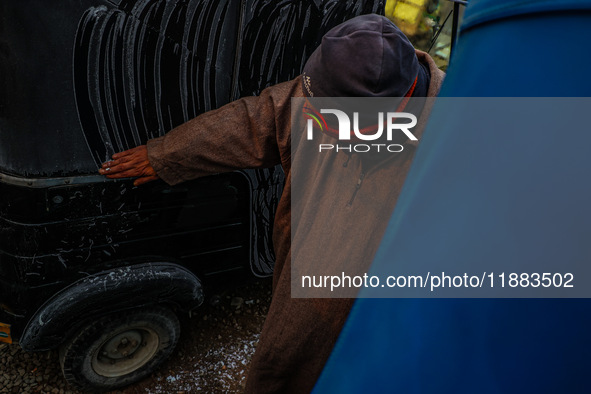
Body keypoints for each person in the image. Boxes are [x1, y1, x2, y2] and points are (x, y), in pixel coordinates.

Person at [99, 14, 444, 393]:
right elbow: (256, 119)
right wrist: (166, 155)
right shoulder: (346, 88)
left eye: (324, 120)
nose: (307, 117)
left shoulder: (454, 155)